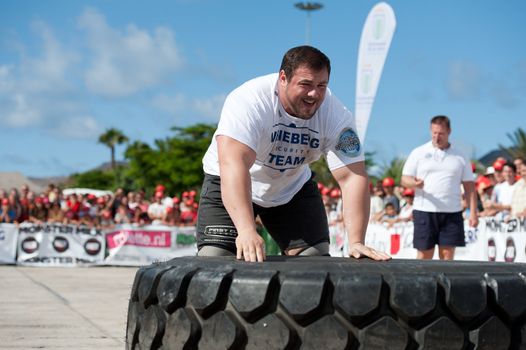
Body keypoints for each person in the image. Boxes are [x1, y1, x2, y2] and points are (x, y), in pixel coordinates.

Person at [196, 45, 390, 262]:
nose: (314, 94)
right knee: (215, 260)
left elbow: (353, 176)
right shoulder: (249, 101)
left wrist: (356, 242)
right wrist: (246, 229)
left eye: (322, 85)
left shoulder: (336, 114)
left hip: (291, 188)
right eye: (305, 84)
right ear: (283, 78)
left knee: (315, 261)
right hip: (233, 183)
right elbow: (233, 164)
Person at [401, 115, 478, 260]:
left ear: (449, 131)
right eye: (434, 133)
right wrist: (414, 184)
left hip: (452, 212)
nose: (437, 137)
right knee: (424, 256)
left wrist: (473, 212)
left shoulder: (460, 156)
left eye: (441, 133)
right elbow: (404, 179)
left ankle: (446, 283)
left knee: (447, 257)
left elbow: (469, 186)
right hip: (425, 210)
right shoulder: (419, 152)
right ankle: (423, 283)